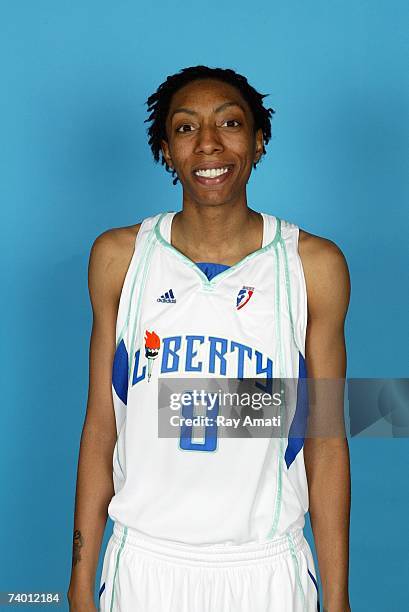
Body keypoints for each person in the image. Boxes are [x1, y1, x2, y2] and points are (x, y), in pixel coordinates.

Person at [67, 66, 351, 612]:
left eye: (230, 122)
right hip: (143, 564)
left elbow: (327, 437)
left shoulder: (311, 266)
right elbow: (102, 427)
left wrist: (336, 599)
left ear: (259, 141)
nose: (209, 144)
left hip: (266, 567)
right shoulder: (120, 259)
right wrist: (80, 586)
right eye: (185, 128)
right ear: (166, 152)